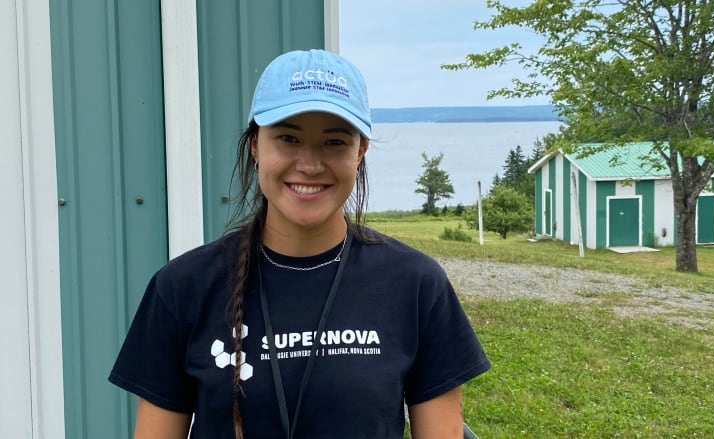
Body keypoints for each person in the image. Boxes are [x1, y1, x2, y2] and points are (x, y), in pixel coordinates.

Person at [109, 49, 490, 439]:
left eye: (334, 141)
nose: (309, 164)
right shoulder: (182, 287)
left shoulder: (415, 284)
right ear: (256, 144)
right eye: (288, 138)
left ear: (360, 152)